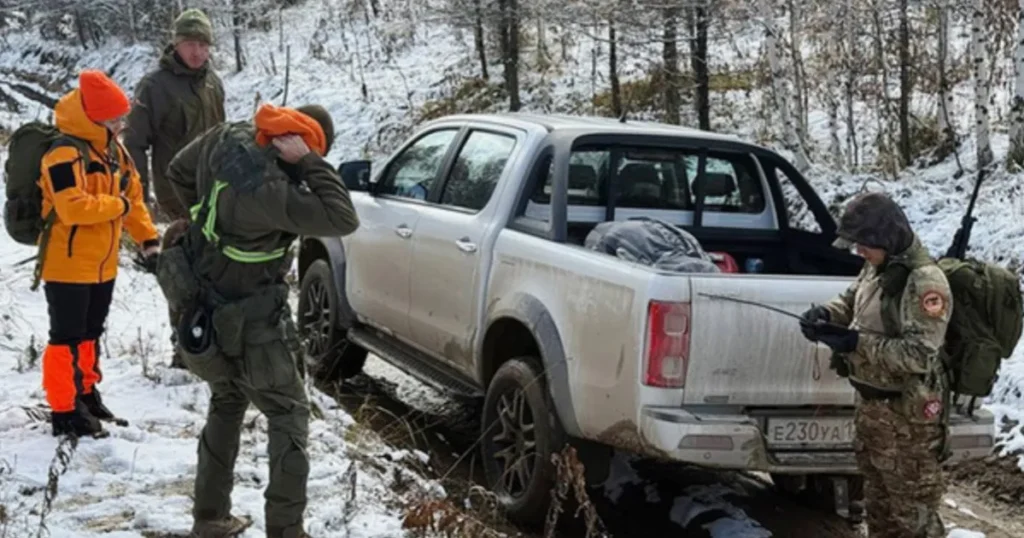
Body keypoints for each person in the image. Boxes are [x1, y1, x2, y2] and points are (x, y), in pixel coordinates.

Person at [162, 103, 359, 538]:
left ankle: (210, 517)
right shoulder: (273, 195)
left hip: (204, 301)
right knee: (289, 413)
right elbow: (344, 217)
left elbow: (177, 169)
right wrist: (309, 163)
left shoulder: (226, 135)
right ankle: (286, 531)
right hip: (254, 317)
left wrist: (206, 223)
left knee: (227, 400)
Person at [799, 191, 950, 537]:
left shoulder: (925, 282)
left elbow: (919, 354)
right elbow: (853, 299)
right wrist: (826, 314)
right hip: (873, 412)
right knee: (880, 516)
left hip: (907, 423)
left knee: (914, 521)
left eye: (863, 244)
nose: (858, 252)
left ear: (886, 238)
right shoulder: (879, 265)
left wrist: (856, 343)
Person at [38, 70, 161, 438]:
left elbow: (134, 199)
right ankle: (64, 409)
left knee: (91, 333)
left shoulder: (113, 150)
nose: (122, 124)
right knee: (65, 338)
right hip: (67, 264)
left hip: (102, 266)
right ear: (95, 116)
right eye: (115, 118)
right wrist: (118, 204)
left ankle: (87, 394)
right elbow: (72, 208)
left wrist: (148, 240)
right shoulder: (63, 153)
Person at [123, 7, 225, 369]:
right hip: (175, 195)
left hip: (213, 194)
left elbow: (222, 137)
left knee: (216, 269)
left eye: (203, 44)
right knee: (182, 272)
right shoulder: (155, 86)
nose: (197, 51)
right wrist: (141, 197)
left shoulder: (213, 83)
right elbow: (134, 143)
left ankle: (213, 342)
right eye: (189, 43)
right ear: (176, 44)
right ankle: (183, 347)